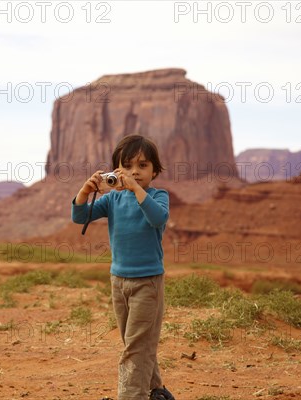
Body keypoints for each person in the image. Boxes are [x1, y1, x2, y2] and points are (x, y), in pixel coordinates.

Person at [71, 135, 175, 400]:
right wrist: (86, 190)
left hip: (148, 284)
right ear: (115, 170)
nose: (134, 172)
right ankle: (157, 391)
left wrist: (136, 190)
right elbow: (80, 216)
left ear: (155, 171)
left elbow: (157, 218)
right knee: (135, 343)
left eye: (142, 166)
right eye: (127, 166)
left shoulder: (157, 196)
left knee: (136, 347)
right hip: (118, 282)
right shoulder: (113, 200)